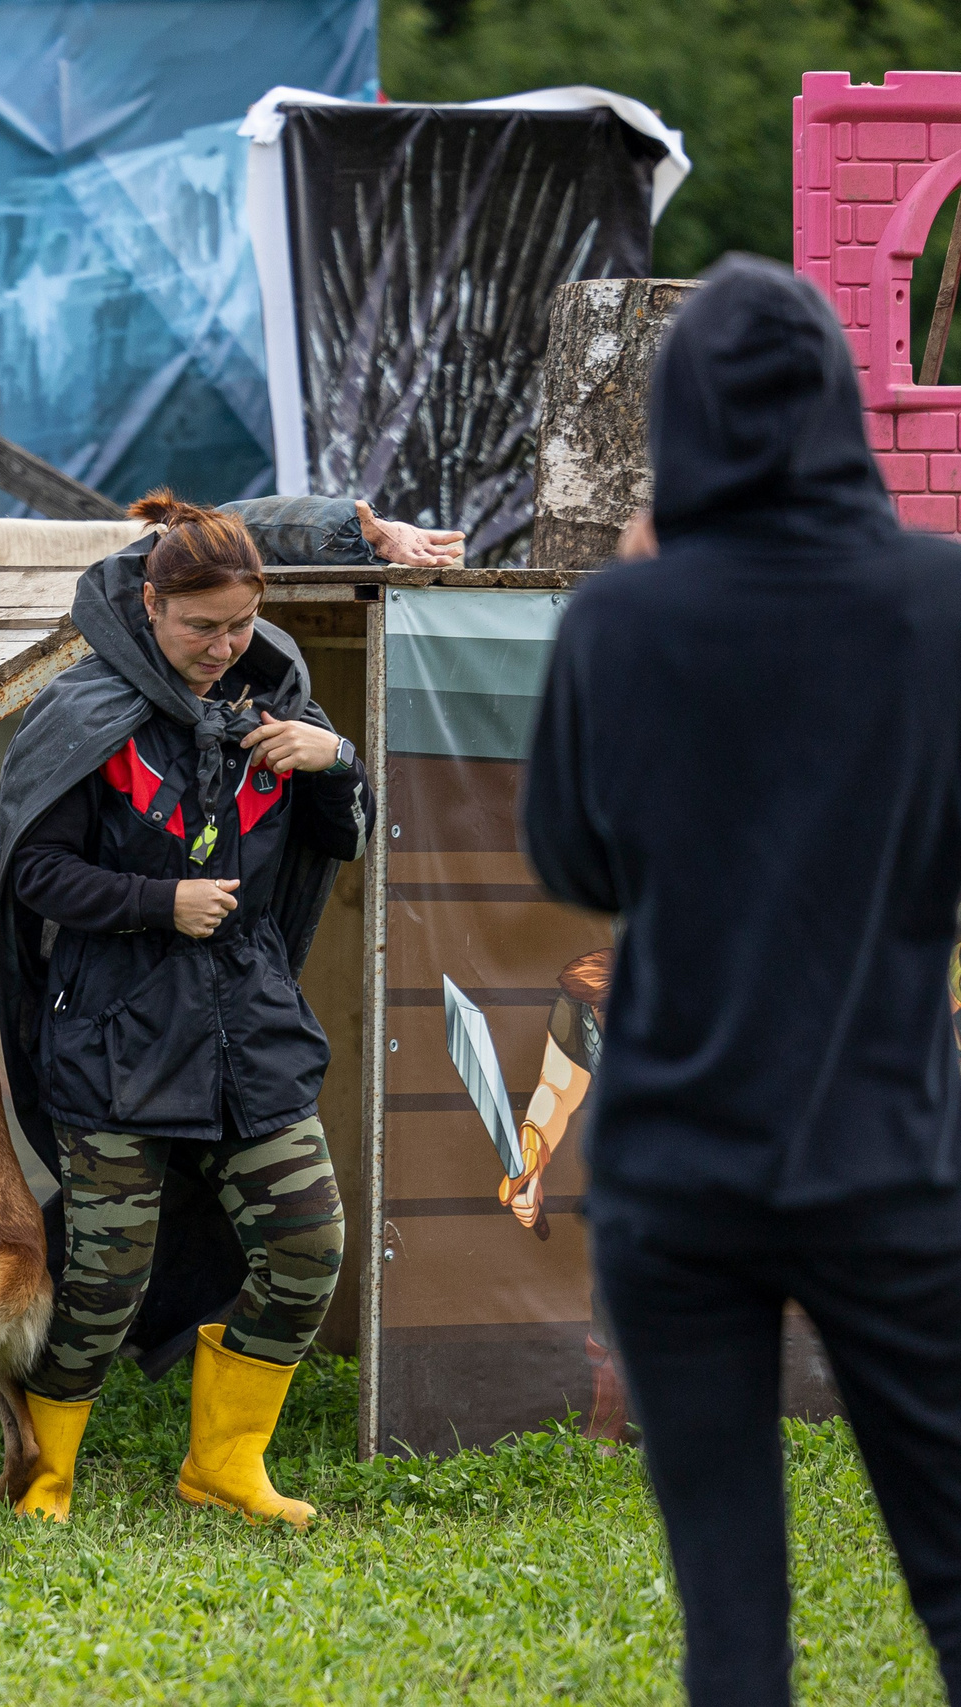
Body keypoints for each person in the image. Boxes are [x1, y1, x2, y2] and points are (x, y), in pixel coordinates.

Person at [522, 254, 961, 1706]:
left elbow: (575, 856)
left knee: (734, 1628)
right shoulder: (939, 603)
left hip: (678, 1174)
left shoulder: (619, 619)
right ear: (842, 404)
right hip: (890, 1158)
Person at [0, 491, 456, 1525]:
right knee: (103, 1281)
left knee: (306, 1247)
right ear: (149, 604)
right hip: (112, 1038)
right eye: (201, 627)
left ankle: (224, 1464)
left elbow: (343, 832)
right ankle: (41, 1475)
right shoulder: (84, 707)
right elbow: (37, 875)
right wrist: (158, 903)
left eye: (240, 623)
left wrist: (331, 760)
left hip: (249, 1032)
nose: (222, 645)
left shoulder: (276, 692)